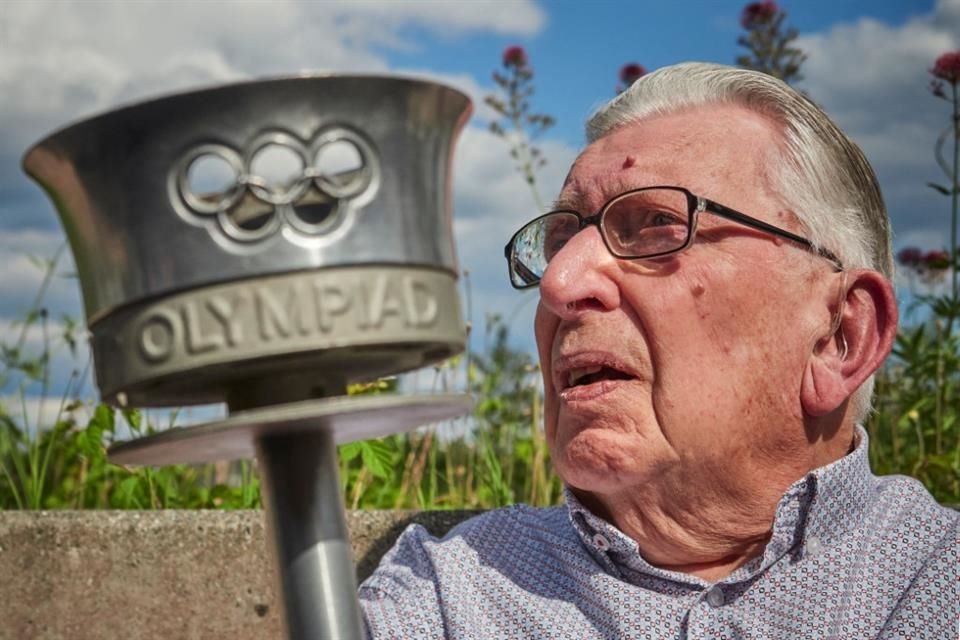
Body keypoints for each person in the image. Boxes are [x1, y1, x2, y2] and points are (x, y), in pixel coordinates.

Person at [358, 62, 959, 639]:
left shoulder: (934, 584)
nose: (559, 283)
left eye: (655, 224)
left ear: (838, 338)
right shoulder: (450, 590)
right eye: (560, 239)